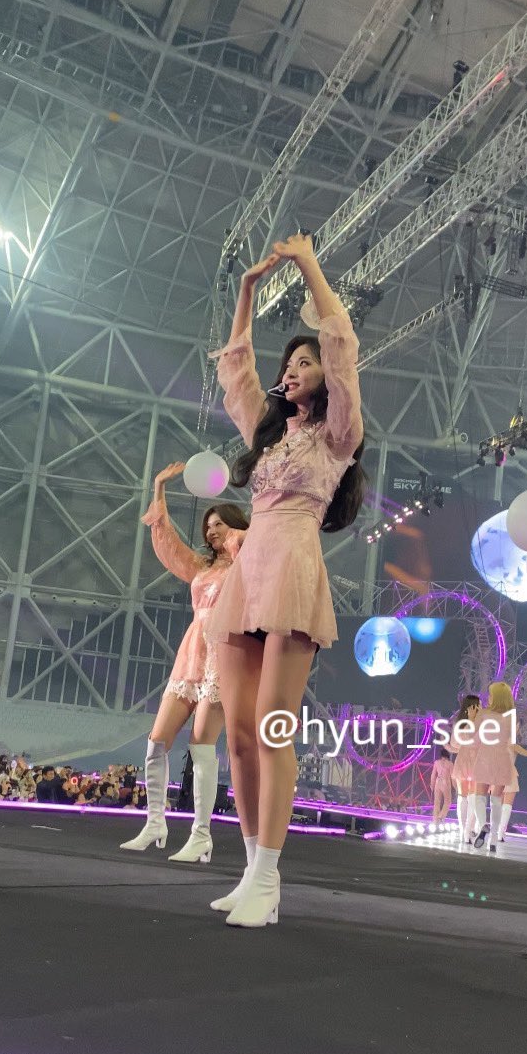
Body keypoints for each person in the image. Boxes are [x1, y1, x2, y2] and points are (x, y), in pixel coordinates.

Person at [206, 233, 365, 926]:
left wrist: (308, 266)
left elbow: (342, 342)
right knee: (239, 735)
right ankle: (251, 871)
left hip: (294, 575)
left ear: (326, 377)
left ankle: (270, 878)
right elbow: (236, 370)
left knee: (273, 728)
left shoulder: (338, 435)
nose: (294, 369)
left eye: (306, 362)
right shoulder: (267, 436)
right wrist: (245, 291)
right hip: (247, 581)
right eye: (290, 364)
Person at [121, 463, 249, 862]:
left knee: (201, 746)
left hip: (225, 653)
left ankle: (201, 835)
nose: (211, 531)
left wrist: (236, 537)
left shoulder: (247, 562)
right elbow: (170, 544)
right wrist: (159, 487)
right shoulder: (203, 566)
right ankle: (154, 823)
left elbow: (257, 542)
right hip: (193, 652)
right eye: (208, 526)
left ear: (235, 525)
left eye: (219, 524)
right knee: (157, 741)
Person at [472, 682, 527, 853]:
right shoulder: (511, 718)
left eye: (491, 694)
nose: (489, 697)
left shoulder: (483, 714)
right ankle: (494, 840)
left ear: (495, 696)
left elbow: (475, 739)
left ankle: (482, 825)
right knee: (496, 801)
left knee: (479, 797)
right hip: (502, 760)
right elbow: (512, 742)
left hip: (485, 757)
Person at [447, 694, 480, 846]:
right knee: (469, 797)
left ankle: (465, 830)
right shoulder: (479, 723)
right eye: (478, 705)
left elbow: (455, 743)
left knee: (466, 797)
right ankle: (466, 830)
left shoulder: (461, 723)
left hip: (467, 759)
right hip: (473, 760)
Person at [429, 750, 453, 825]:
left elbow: (433, 774)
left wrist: (432, 784)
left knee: (437, 802)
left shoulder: (437, 762)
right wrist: (455, 785)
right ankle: (441, 816)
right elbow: (452, 776)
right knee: (448, 801)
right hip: (446, 782)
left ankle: (435, 820)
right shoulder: (450, 764)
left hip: (437, 781)